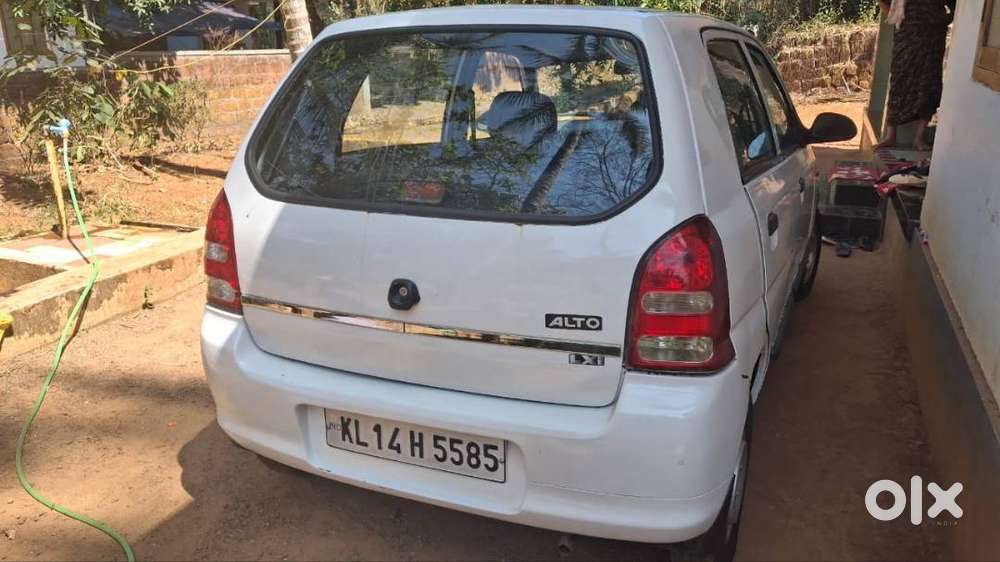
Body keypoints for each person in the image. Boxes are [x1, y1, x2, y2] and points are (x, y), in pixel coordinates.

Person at [877, 0, 955, 150]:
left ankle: (919, 138)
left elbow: (955, 9)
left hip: (932, 39)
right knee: (899, 81)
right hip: (907, 36)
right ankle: (890, 135)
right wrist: (902, 20)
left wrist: (940, 22)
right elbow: (883, 2)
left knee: (929, 84)